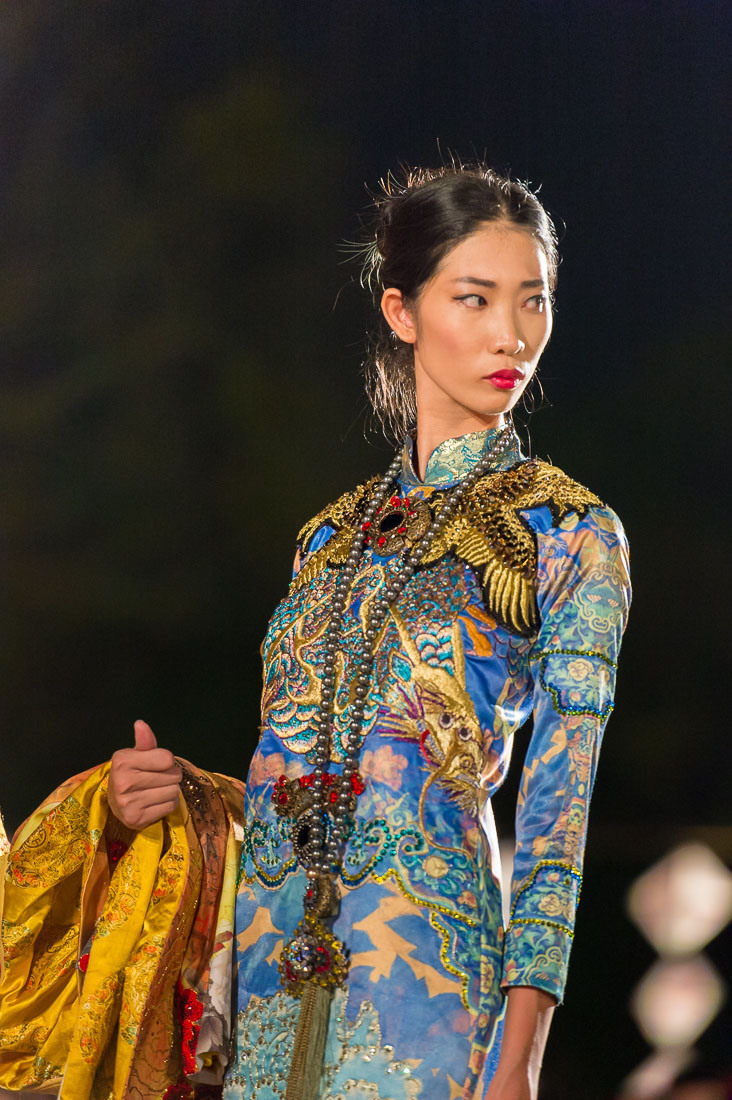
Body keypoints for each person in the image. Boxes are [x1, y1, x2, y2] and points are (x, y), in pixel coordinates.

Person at [0, 163, 631, 1100]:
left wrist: (522, 1054)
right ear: (401, 313)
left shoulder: (571, 533)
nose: (513, 335)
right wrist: (178, 804)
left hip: (431, 1005)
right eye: (476, 298)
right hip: (266, 994)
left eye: (532, 301)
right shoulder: (326, 542)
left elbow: (556, 820)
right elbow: (290, 781)